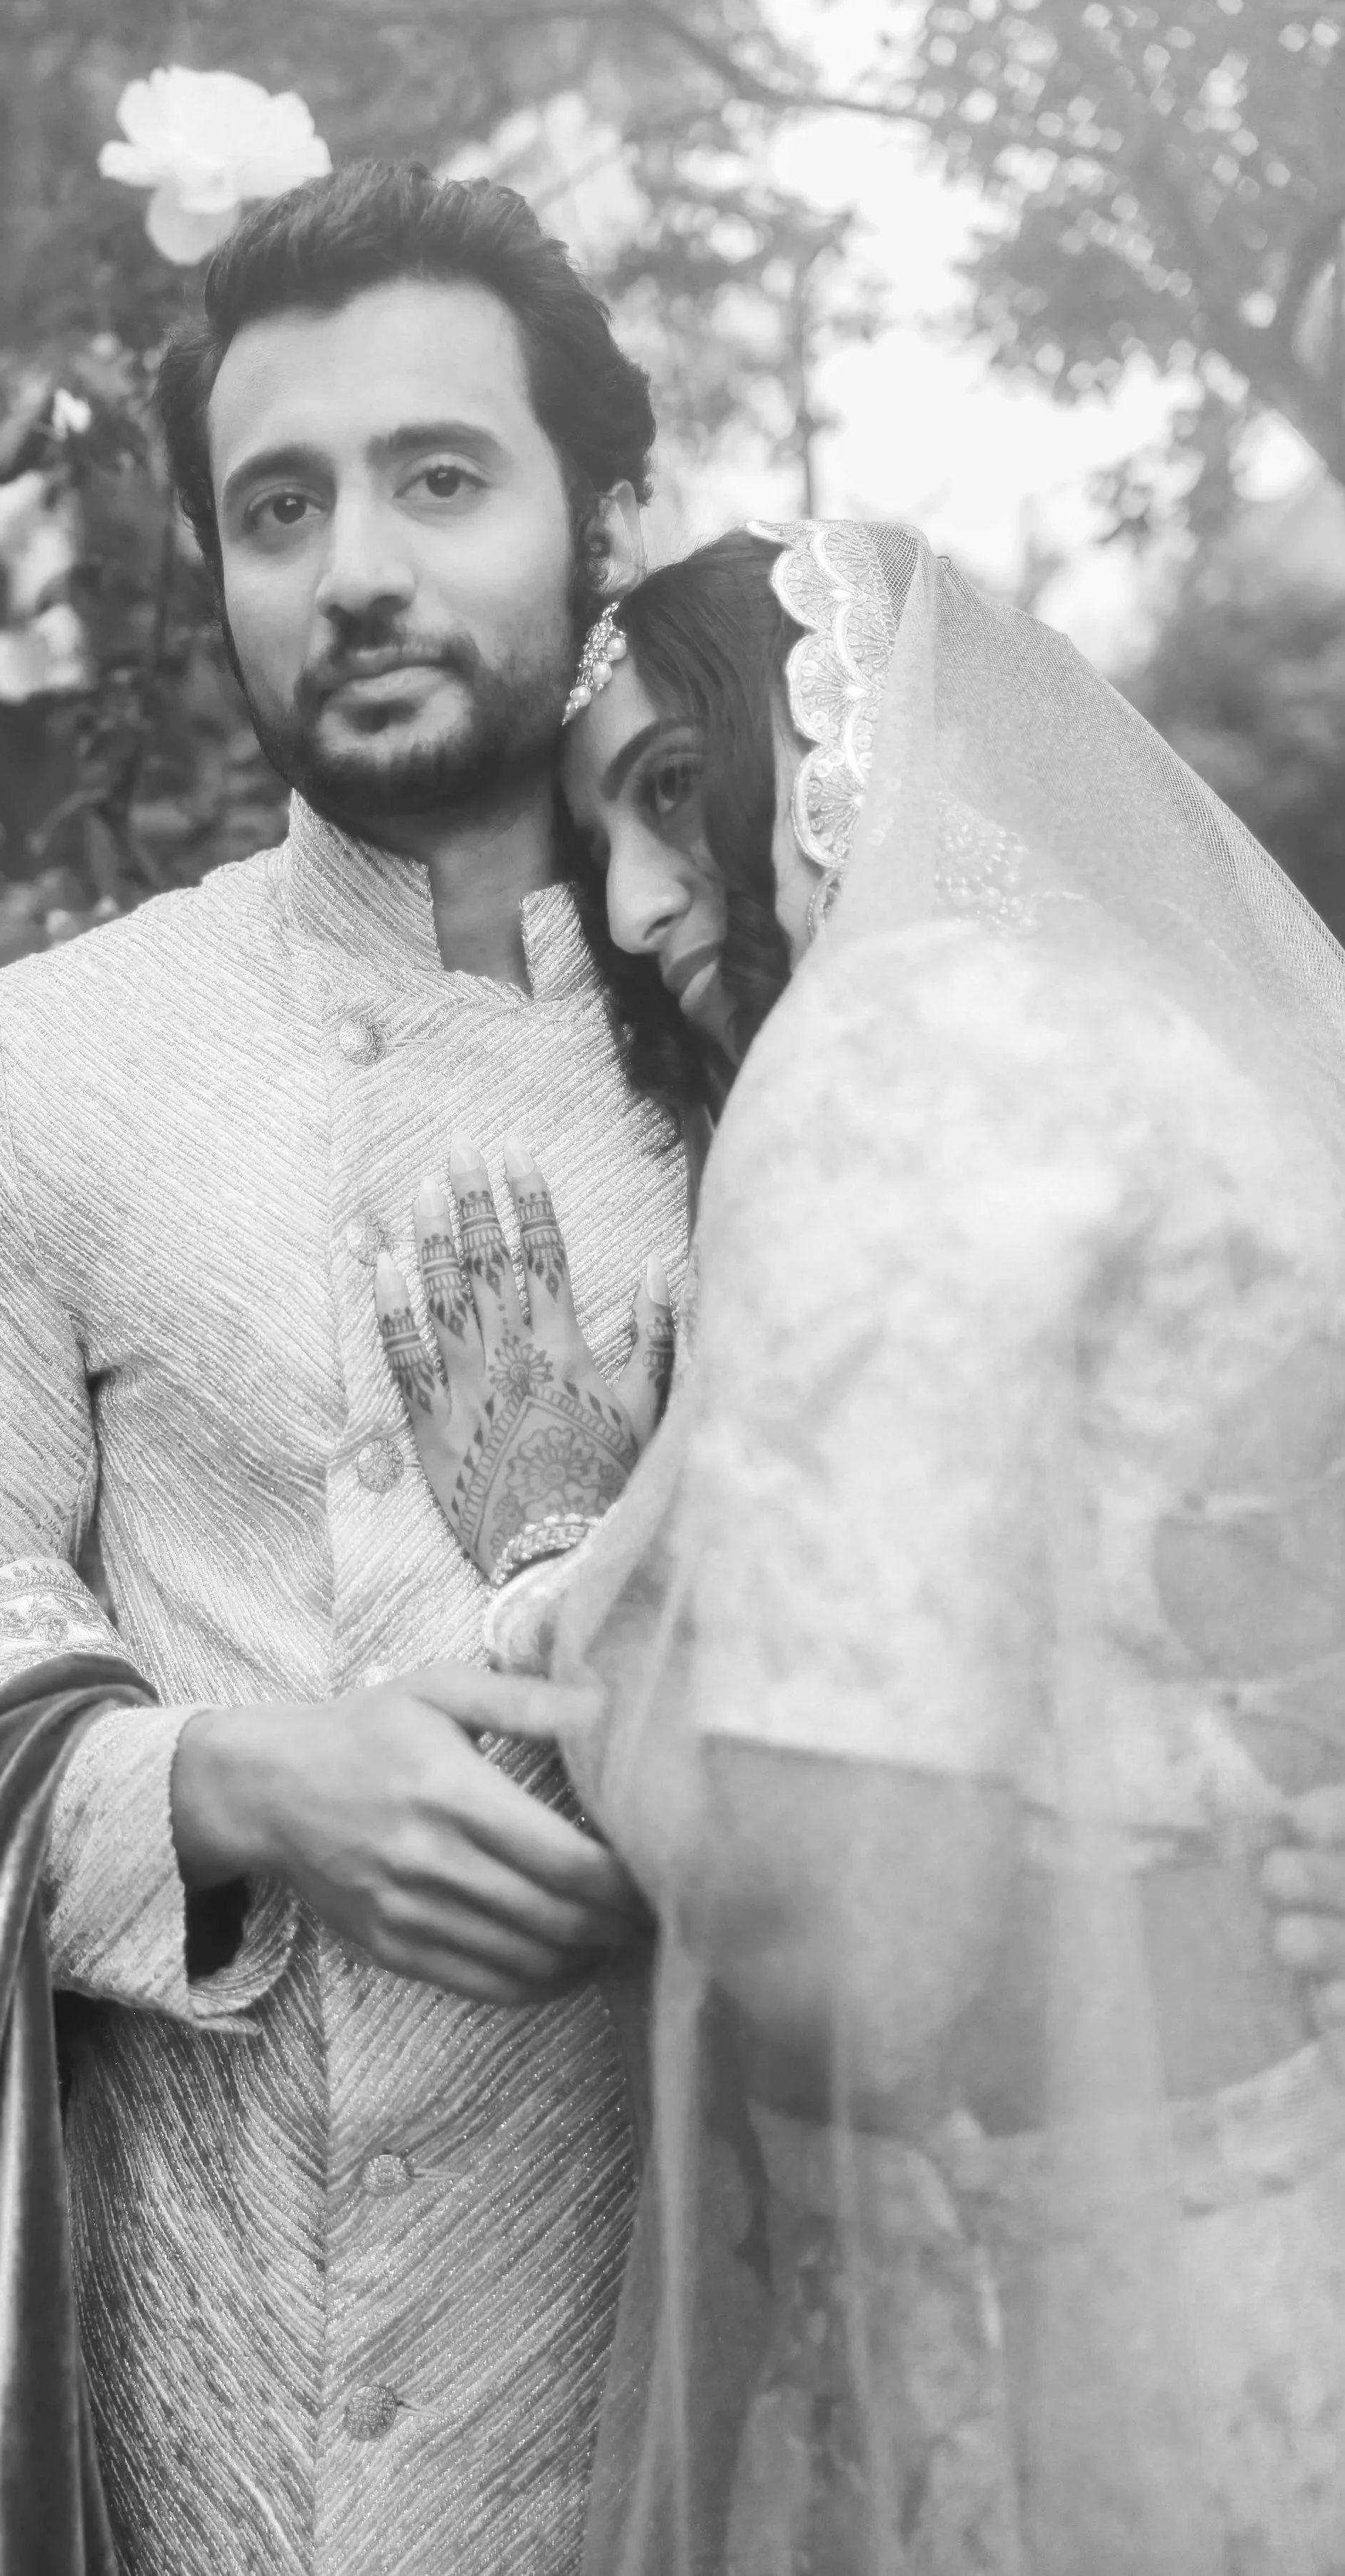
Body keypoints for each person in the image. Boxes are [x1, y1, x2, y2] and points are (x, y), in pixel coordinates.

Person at [0, 164, 692, 2576]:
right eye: (279, 506)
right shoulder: (42, 1072)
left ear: (602, 514)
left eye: (440, 476)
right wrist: (231, 1783)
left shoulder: (773, 1059)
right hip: (188, 2429)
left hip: (689, 2404)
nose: (356, 569)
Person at [379, 518, 1345, 2572]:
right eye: (597, 848)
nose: (633, 908)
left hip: (1064, 2361)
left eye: (670, 791)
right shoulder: (1109, 1038)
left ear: (831, 734)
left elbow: (857, 1940)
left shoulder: (892, 1065)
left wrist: (561, 1581)